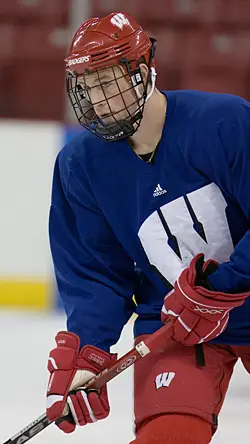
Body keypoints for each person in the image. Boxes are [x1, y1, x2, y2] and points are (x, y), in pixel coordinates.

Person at [46, 11, 250, 444]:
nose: (97, 100)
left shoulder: (225, 122)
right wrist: (88, 352)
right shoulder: (80, 166)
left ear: (142, 72)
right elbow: (95, 275)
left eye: (107, 82)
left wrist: (225, 286)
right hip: (174, 325)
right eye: (87, 86)